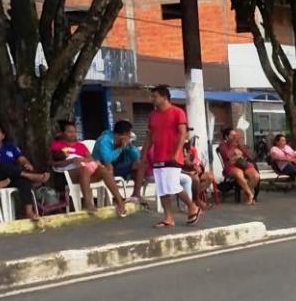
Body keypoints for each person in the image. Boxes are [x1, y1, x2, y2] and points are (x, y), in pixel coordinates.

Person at [139, 85, 201, 227]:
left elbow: (182, 133)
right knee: (162, 187)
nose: (152, 99)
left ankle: (193, 207)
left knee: (172, 185)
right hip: (157, 155)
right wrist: (143, 155)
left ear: (164, 97)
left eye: (154, 96)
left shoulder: (177, 112)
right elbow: (149, 136)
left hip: (173, 156)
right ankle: (168, 218)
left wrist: (177, 152)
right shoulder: (153, 115)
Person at [50, 120, 127, 216]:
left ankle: (119, 201)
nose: (73, 134)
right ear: (62, 133)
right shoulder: (57, 145)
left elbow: (90, 159)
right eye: (69, 132)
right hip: (70, 174)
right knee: (84, 170)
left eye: (74, 132)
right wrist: (71, 160)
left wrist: (83, 160)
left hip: (86, 171)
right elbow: (54, 163)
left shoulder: (81, 146)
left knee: (104, 171)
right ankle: (88, 203)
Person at [0, 124, 50, 221]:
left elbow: (21, 159)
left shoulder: (9, 146)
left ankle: (29, 211)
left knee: (24, 181)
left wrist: (27, 164)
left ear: (3, 135)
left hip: (11, 177)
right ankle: (29, 176)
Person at [92, 120, 146, 204]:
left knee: (140, 164)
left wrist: (130, 146)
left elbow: (136, 156)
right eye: (128, 133)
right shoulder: (104, 140)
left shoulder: (124, 140)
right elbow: (107, 159)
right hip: (102, 168)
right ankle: (118, 198)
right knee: (109, 165)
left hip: (118, 166)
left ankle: (136, 194)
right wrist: (121, 147)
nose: (129, 135)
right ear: (122, 134)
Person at [219, 126, 260, 205]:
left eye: (235, 135)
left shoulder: (238, 143)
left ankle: (246, 194)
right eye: (232, 135)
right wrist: (233, 146)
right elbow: (227, 156)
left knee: (256, 176)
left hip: (242, 163)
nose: (234, 137)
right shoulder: (222, 145)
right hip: (230, 166)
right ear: (226, 137)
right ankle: (250, 194)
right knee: (239, 174)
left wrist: (240, 145)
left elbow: (248, 155)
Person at [182, 138, 215, 207]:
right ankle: (197, 200)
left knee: (210, 176)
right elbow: (184, 163)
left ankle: (194, 197)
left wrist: (197, 166)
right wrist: (189, 161)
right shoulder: (178, 150)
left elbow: (196, 160)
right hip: (183, 172)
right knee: (196, 179)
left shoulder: (192, 149)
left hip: (193, 171)